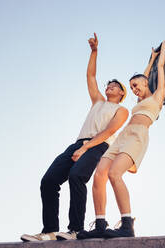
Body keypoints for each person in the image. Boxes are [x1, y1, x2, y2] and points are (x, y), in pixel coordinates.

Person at [21, 33, 129, 242]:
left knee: (77, 176)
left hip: (99, 146)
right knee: (49, 181)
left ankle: (75, 230)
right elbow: (90, 77)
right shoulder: (98, 101)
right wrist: (94, 52)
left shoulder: (121, 109)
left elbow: (108, 132)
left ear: (122, 93)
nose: (110, 86)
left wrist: (86, 148)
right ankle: (50, 231)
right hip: (78, 143)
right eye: (109, 85)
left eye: (115, 86)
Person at [77, 41, 165, 239]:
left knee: (115, 174)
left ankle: (127, 225)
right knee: (100, 173)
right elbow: (144, 74)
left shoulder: (157, 97)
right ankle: (100, 224)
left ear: (145, 83)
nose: (134, 89)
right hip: (122, 137)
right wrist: (150, 58)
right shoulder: (139, 100)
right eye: (131, 87)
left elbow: (158, 70)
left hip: (138, 136)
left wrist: (160, 57)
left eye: (136, 85)